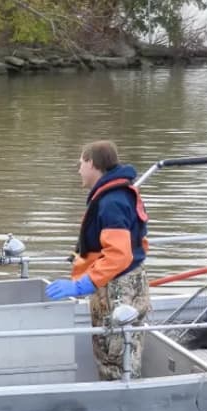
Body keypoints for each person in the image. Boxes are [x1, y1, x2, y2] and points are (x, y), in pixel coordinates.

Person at [44, 141, 151, 381]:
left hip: (118, 290)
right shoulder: (115, 195)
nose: (79, 170)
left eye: (81, 163)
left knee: (116, 358)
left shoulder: (111, 201)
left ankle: (121, 401)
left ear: (92, 163)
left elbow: (119, 255)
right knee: (117, 354)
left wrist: (83, 284)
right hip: (121, 283)